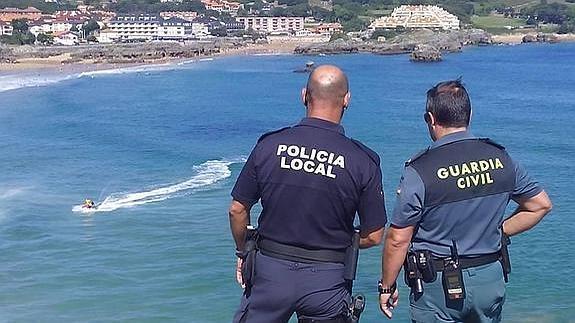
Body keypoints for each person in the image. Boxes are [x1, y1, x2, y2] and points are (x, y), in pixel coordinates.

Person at [378, 80, 552, 322]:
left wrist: (387, 286)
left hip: (437, 286)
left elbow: (398, 239)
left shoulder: (420, 170)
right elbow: (541, 205)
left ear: (430, 118)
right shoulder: (500, 158)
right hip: (489, 280)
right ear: (469, 115)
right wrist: (499, 230)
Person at [229, 65, 387, 323]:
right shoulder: (363, 161)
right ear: (347, 100)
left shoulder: (269, 146)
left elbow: (237, 209)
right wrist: (334, 239)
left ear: (304, 95)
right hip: (328, 278)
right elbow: (374, 235)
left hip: (270, 272)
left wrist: (242, 251)